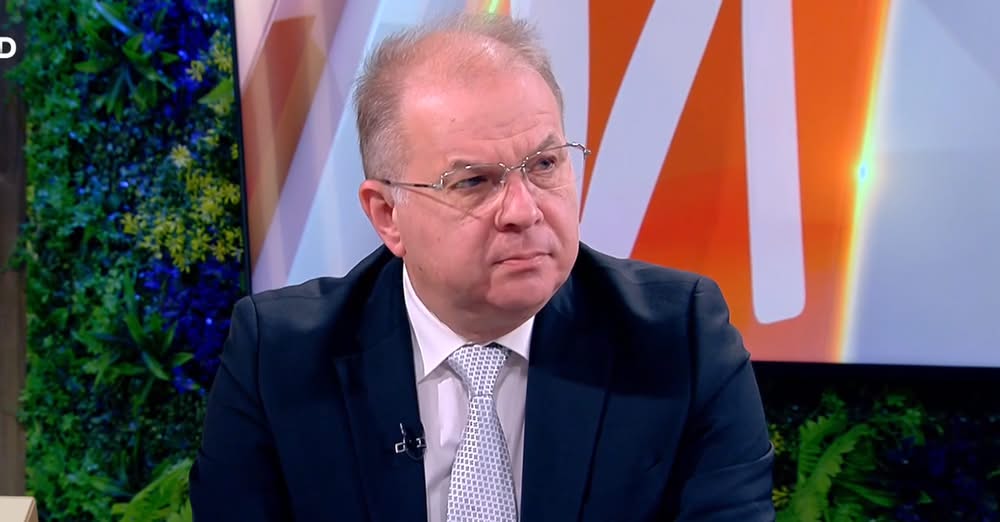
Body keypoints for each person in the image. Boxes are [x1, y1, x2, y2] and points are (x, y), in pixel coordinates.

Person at [190, 12, 774, 522]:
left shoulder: (680, 341)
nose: (523, 211)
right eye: (473, 181)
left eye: (544, 165)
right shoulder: (279, 359)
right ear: (387, 215)